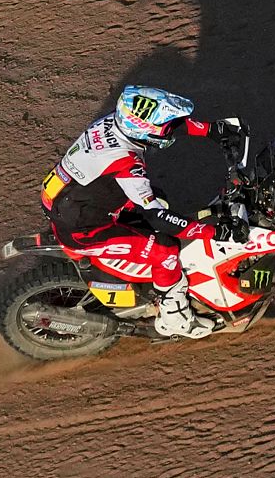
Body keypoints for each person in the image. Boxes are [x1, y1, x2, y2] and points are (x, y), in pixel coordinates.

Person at [40, 85, 245, 339]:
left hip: (74, 201)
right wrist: (213, 232)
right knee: (165, 249)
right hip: (84, 229)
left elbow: (168, 127)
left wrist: (212, 130)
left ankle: (150, 283)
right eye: (164, 126)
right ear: (143, 129)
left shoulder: (115, 122)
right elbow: (156, 216)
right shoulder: (127, 164)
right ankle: (176, 319)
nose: (169, 129)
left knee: (160, 200)